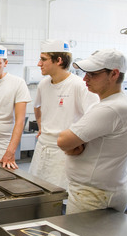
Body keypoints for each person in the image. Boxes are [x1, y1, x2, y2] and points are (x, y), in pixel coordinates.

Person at [57, 49, 127, 214]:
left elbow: (64, 141)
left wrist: (74, 143)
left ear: (114, 74)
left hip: (94, 196)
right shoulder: (117, 103)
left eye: (93, 74)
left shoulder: (111, 108)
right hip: (103, 192)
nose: (85, 79)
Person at [28, 40, 99, 189]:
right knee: (38, 191)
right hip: (43, 146)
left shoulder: (79, 85)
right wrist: (41, 127)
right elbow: (37, 107)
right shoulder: (43, 84)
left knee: (60, 196)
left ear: (59, 60)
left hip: (65, 152)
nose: (39, 63)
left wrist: (80, 142)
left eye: (43, 59)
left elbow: (94, 118)